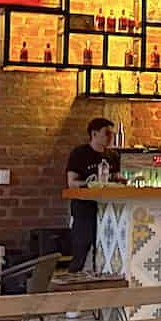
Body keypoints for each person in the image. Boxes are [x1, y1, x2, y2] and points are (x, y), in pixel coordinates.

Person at [65, 117, 118, 274]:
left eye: (111, 134)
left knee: (103, 248)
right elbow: (71, 183)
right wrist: (89, 183)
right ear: (94, 134)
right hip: (84, 208)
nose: (110, 137)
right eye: (106, 133)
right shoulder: (79, 153)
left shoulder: (113, 156)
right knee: (81, 248)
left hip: (107, 208)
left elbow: (116, 177)